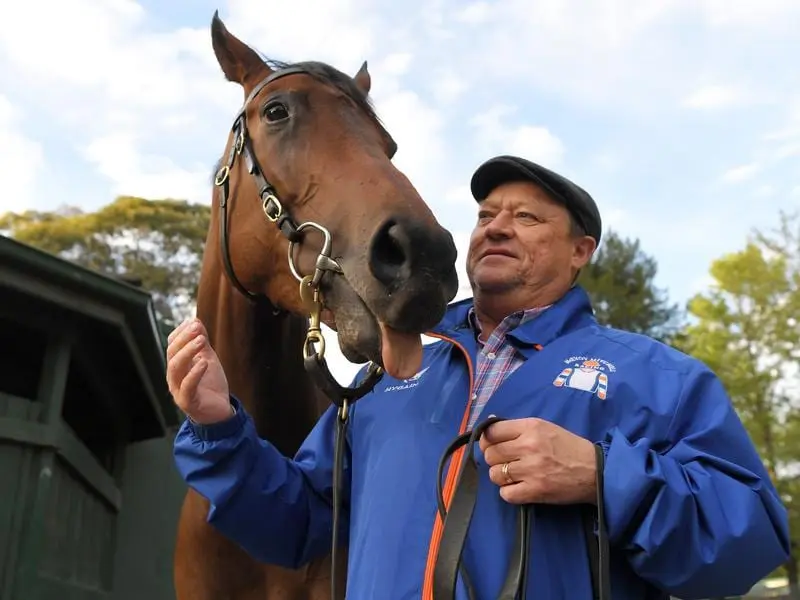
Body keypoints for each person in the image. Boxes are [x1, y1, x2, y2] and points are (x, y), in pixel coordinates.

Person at [169, 154, 790, 599]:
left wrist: (603, 476)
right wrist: (219, 427)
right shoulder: (389, 372)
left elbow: (747, 542)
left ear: (581, 252)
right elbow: (300, 522)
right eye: (487, 215)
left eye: (525, 218)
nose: (495, 226)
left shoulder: (658, 377)